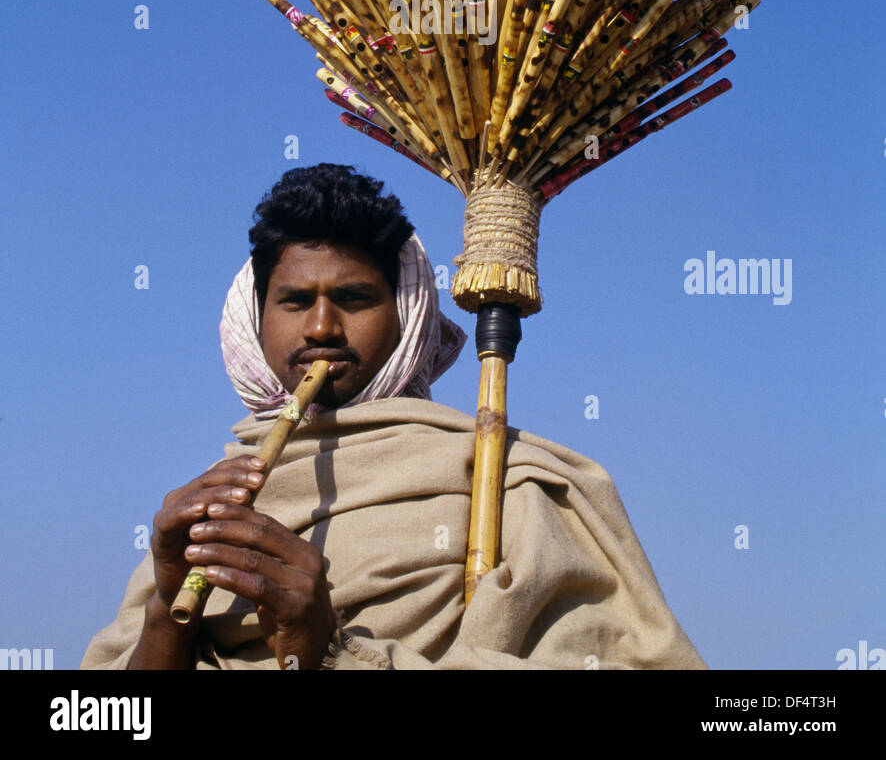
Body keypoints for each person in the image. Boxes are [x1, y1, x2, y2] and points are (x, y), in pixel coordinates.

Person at [81, 164, 706, 671]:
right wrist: (166, 609)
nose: (322, 328)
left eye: (354, 299)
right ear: (254, 320)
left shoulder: (510, 482)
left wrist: (329, 651)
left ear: (407, 316)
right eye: (296, 301)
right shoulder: (206, 512)